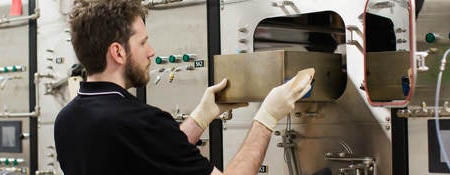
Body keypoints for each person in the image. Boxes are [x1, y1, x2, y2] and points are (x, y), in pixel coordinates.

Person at [53, 0, 314, 174]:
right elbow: (150, 138)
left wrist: (201, 117)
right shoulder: (138, 122)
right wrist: (267, 116)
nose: (151, 52)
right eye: (143, 43)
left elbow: (152, 152)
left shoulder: (67, 120)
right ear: (118, 52)